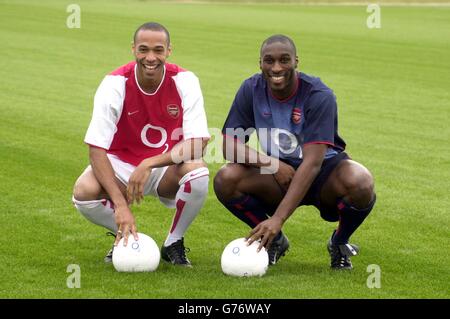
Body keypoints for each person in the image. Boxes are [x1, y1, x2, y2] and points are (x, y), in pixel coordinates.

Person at [214, 34, 376, 270]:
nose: (276, 67)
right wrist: (272, 164)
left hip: (324, 172)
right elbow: (229, 145)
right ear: (260, 63)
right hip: (280, 173)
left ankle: (339, 243)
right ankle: (275, 242)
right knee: (226, 179)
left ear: (296, 61)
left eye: (284, 60)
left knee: (360, 182)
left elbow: (312, 163)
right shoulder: (251, 88)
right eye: (269, 61)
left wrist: (278, 219)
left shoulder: (319, 95)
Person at [72, 22, 210, 267]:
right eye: (144, 49)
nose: (151, 57)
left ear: (169, 51)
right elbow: (96, 149)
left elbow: (198, 143)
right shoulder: (114, 84)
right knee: (83, 192)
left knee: (198, 172)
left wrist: (149, 163)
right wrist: (120, 205)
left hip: (165, 163)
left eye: (158, 50)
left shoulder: (186, 80)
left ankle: (173, 243)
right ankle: (125, 233)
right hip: (121, 165)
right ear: (133, 49)